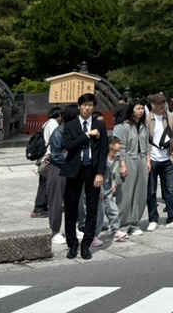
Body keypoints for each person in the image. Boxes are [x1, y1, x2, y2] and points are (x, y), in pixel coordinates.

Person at [60, 94, 107, 260]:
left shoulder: (100, 125)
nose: (87, 108)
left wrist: (100, 173)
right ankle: (72, 245)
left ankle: (86, 245)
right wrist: (87, 135)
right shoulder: (70, 125)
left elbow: (103, 151)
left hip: (92, 171)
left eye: (90, 105)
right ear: (79, 106)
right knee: (71, 209)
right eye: (84, 105)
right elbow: (69, 146)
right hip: (74, 170)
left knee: (92, 209)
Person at [145, 93, 173, 230]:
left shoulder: (172, 118)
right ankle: (153, 218)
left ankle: (172, 218)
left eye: (163, 103)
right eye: (159, 103)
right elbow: (144, 140)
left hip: (168, 158)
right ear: (152, 105)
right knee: (151, 191)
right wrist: (147, 158)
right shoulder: (147, 119)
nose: (162, 105)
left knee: (170, 190)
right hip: (152, 158)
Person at [115, 100, 150, 234]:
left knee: (140, 193)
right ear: (132, 110)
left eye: (142, 108)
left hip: (141, 159)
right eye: (138, 108)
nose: (140, 111)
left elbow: (147, 145)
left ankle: (134, 223)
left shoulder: (144, 126)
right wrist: (122, 164)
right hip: (129, 159)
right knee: (126, 193)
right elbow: (121, 147)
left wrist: (148, 161)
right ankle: (123, 224)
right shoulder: (124, 126)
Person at [46, 104, 75, 245]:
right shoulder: (59, 132)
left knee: (73, 201)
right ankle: (55, 231)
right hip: (59, 169)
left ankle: (71, 228)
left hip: (74, 169)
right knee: (56, 201)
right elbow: (56, 154)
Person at [32, 107, 62, 218]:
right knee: (45, 183)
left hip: (43, 156)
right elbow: (55, 141)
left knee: (44, 183)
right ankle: (39, 208)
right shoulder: (53, 124)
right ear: (58, 115)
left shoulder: (46, 123)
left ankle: (42, 206)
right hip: (48, 157)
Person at [103, 135, 127, 243]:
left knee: (113, 209)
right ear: (111, 146)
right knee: (99, 213)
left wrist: (113, 184)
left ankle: (115, 231)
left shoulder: (116, 158)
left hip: (108, 186)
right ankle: (93, 236)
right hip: (100, 187)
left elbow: (113, 174)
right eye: (118, 143)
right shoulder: (103, 158)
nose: (120, 145)